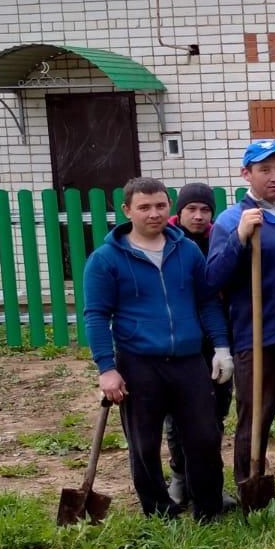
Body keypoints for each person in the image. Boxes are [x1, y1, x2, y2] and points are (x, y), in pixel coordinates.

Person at [83, 177, 231, 521]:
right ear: (127, 210)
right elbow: (96, 316)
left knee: (204, 437)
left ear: (169, 207)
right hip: (139, 363)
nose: (154, 213)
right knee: (144, 444)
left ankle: (208, 508)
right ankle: (159, 511)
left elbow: (207, 301)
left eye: (161, 206)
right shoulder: (106, 260)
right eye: (144, 207)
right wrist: (107, 369)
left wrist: (221, 346)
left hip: (189, 361)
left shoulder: (187, 251)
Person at [206, 140, 275, 497]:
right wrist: (239, 238)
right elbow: (213, 278)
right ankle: (249, 484)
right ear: (246, 174)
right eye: (264, 170)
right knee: (255, 419)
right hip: (258, 335)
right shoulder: (231, 219)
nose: (274, 176)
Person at [163, 183, 234, 509]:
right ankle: (180, 476)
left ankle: (208, 480)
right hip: (177, 342)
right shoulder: (165, 241)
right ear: (180, 211)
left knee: (214, 415)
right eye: (192, 209)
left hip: (216, 338)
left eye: (205, 210)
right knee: (177, 416)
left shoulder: (217, 240)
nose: (199, 215)